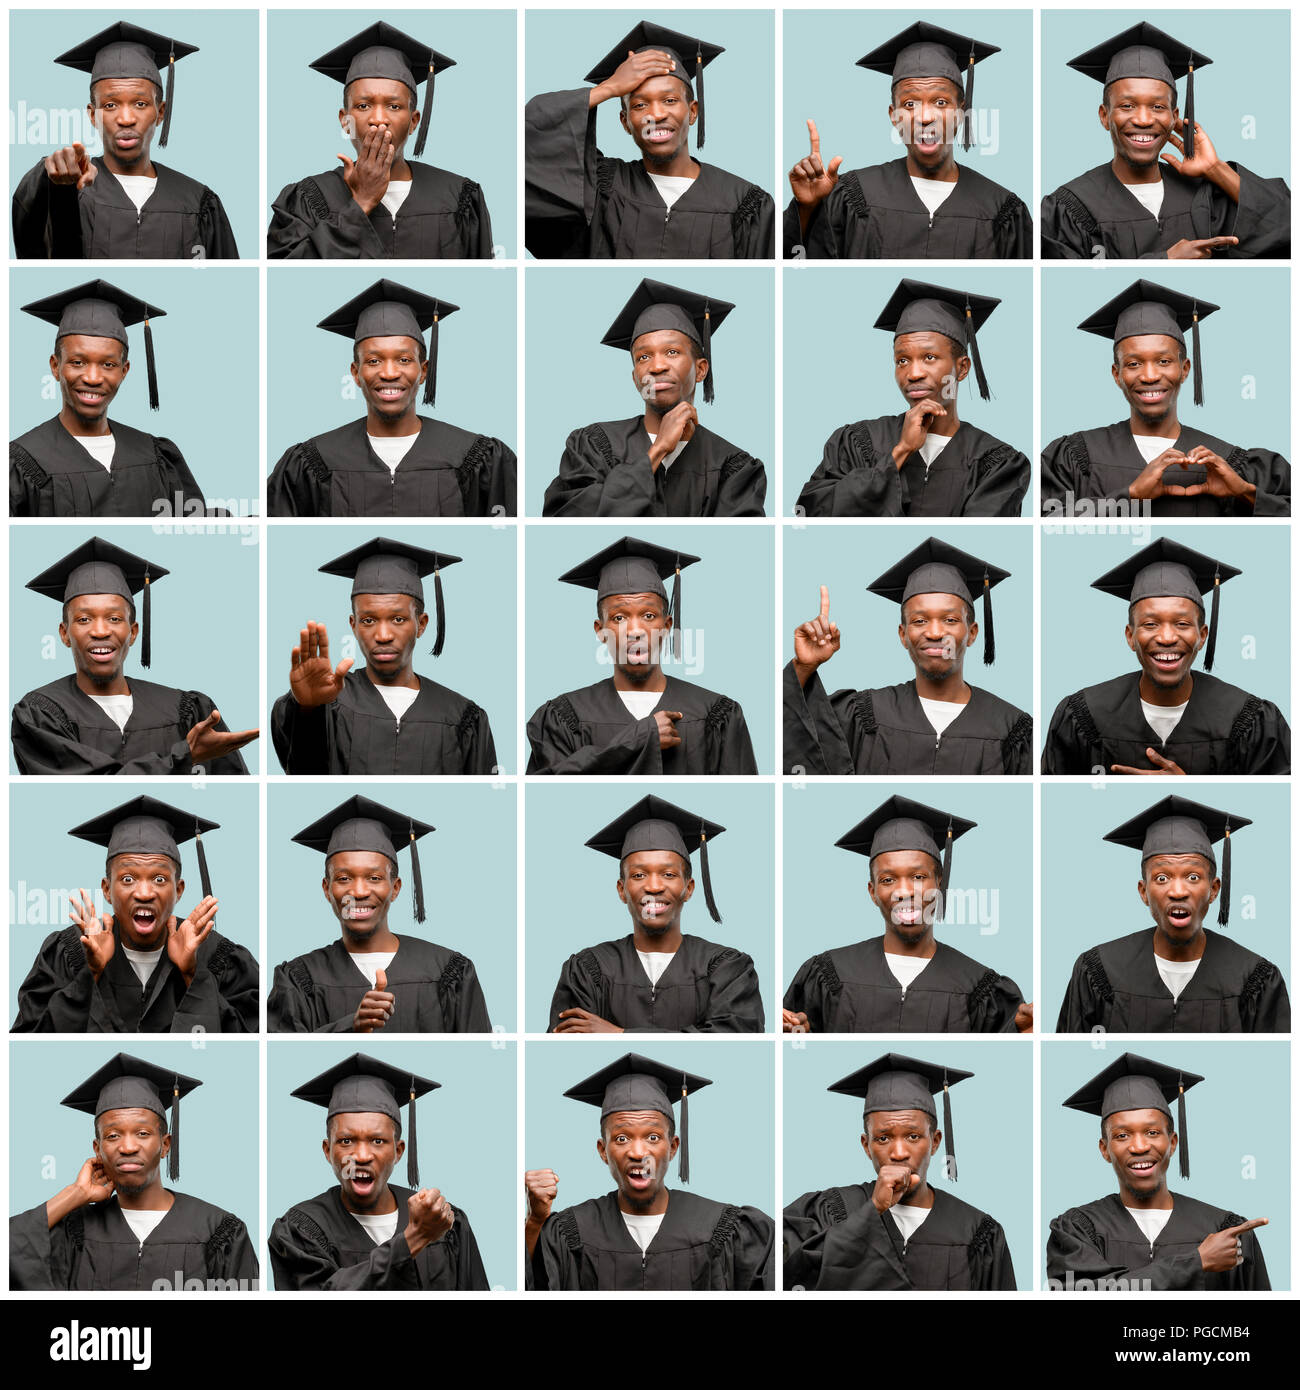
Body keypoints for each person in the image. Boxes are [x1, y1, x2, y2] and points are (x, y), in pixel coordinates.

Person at [267, 278, 516, 517]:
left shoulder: (477, 459)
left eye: (404, 360)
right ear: (356, 373)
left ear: (423, 371)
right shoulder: (313, 462)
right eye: (374, 361)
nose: (389, 373)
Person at [526, 19, 774, 258]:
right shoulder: (600, 189)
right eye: (640, 105)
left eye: (670, 100)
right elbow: (528, 151)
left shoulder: (744, 204)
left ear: (693, 112)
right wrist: (608, 89)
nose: (656, 114)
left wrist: (807, 211)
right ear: (625, 122)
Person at [1041, 538, 1291, 775]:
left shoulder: (1251, 721)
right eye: (1150, 624)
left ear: (1203, 636)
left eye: (1182, 623)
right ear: (1130, 637)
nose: (1167, 637)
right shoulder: (1083, 716)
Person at [525, 1052, 774, 1289]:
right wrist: (536, 1220)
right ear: (603, 1151)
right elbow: (536, 1285)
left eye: (653, 1137)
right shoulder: (573, 1231)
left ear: (673, 1147)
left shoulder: (724, 1228)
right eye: (621, 1139)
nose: (638, 1152)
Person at [10, 537, 257, 776]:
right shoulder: (39, 714)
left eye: (114, 618)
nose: (100, 631)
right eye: (84, 619)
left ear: (133, 632)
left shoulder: (187, 711)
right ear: (64, 634)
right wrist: (185, 755)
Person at [1041, 23, 1290, 259]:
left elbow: (1286, 228)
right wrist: (1166, 260)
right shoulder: (1069, 207)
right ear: (1105, 116)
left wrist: (1216, 169)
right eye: (1127, 106)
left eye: (1158, 107)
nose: (1143, 119)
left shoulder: (1206, 196)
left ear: (1175, 118)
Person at [1041, 280, 1289, 517]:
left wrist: (1245, 493)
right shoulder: (1075, 457)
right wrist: (1131, 495)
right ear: (1117, 374)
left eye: (1164, 361)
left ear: (1185, 369)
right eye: (1134, 363)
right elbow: (1047, 519)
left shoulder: (1232, 465)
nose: (1149, 376)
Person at [784, 538, 1032, 774]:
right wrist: (803, 667)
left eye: (950, 620)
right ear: (903, 635)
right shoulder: (860, 718)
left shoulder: (1010, 729)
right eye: (920, 620)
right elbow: (796, 737)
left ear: (972, 633)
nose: (935, 632)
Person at [9, 1054, 258, 1289]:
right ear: (97, 1149)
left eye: (143, 1133)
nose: (127, 1147)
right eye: (113, 1136)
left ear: (165, 1145)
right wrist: (75, 1194)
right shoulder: (74, 1233)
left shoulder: (218, 1231)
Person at [784, 22, 1031, 259]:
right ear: (894, 116)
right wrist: (807, 210)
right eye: (910, 104)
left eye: (941, 102)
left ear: (961, 113)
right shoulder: (851, 197)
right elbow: (799, 261)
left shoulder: (1002, 211)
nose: (925, 117)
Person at [783, 796, 1029, 1034]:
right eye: (888, 880)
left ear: (939, 885)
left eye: (919, 877)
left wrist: (1024, 1033)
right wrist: (796, 1032)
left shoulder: (980, 989)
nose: (904, 892)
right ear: (873, 892)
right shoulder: (828, 976)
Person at [12, 795, 257, 1033]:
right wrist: (91, 973)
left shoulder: (216, 954)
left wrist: (193, 974)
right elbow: (30, 1036)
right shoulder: (70, 952)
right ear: (107, 890)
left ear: (178, 890)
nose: (144, 893)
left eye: (159, 879)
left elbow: (251, 1036)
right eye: (127, 879)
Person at [796, 278, 1030, 517]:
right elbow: (813, 512)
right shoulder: (858, 442)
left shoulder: (996, 461)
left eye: (929, 357)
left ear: (962, 368)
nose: (913, 373)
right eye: (902, 361)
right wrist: (900, 452)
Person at [526, 536, 758, 775]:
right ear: (601, 630)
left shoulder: (715, 715)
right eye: (619, 618)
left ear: (667, 625)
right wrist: (639, 738)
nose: (635, 631)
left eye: (648, 616)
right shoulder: (564, 716)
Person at [1055, 796, 1289, 1032]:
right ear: (1144, 892)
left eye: (1193, 877)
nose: (1178, 892)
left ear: (1214, 890)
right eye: (1162, 878)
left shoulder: (1253, 979)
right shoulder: (1099, 971)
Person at [784, 1054, 1017, 1289]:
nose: (898, 1153)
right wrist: (872, 1210)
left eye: (913, 1136)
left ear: (935, 1142)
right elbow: (783, 1275)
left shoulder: (976, 1231)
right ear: (867, 1146)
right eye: (883, 1138)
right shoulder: (829, 1211)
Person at [12, 21, 238, 259]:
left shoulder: (198, 202)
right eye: (110, 105)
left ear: (160, 113)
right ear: (93, 115)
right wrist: (48, 176)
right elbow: (31, 239)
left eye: (140, 104)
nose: (126, 118)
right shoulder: (69, 191)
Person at [542, 277, 767, 517]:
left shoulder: (732, 466)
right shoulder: (594, 446)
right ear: (635, 377)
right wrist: (658, 450)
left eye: (672, 352)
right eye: (643, 357)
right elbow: (568, 517)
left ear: (701, 369)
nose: (657, 366)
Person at [271, 537, 497, 774]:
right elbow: (304, 773)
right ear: (353, 625)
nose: (383, 635)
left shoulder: (462, 717)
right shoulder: (327, 704)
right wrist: (308, 709)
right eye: (368, 620)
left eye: (398, 619)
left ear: (421, 624)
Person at [268, 795, 491, 1033]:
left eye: (374, 878)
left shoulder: (449, 972)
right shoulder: (298, 979)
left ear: (395, 888)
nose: (359, 891)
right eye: (344, 879)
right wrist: (349, 1028)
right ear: (326, 889)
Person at [267, 22, 492, 258]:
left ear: (414, 121)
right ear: (345, 121)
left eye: (394, 106)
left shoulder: (459, 198)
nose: (378, 119)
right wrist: (361, 202)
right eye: (363, 106)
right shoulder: (309, 198)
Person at [1047, 1053, 1270, 1290]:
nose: (1140, 1147)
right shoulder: (1077, 1231)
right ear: (1104, 1149)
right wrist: (1197, 1261)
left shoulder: (1225, 1232)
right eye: (1122, 1135)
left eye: (1152, 1132)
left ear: (1173, 1143)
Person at [269, 1054, 489, 1289]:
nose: (362, 1156)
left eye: (377, 1141)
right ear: (327, 1150)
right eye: (345, 1141)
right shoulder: (300, 1230)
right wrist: (415, 1238)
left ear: (398, 1151)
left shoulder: (444, 1222)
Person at [548, 795, 764, 1033]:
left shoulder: (727, 970)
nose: (653, 886)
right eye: (639, 875)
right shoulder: (588, 970)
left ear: (688, 888)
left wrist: (618, 1035)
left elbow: (732, 1038)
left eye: (669, 875)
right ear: (622, 890)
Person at [11, 280, 215, 517]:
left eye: (108, 364)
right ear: (55, 367)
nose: (93, 378)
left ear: (124, 371)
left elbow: (193, 522)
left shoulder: (155, 454)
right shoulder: (20, 463)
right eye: (78, 362)